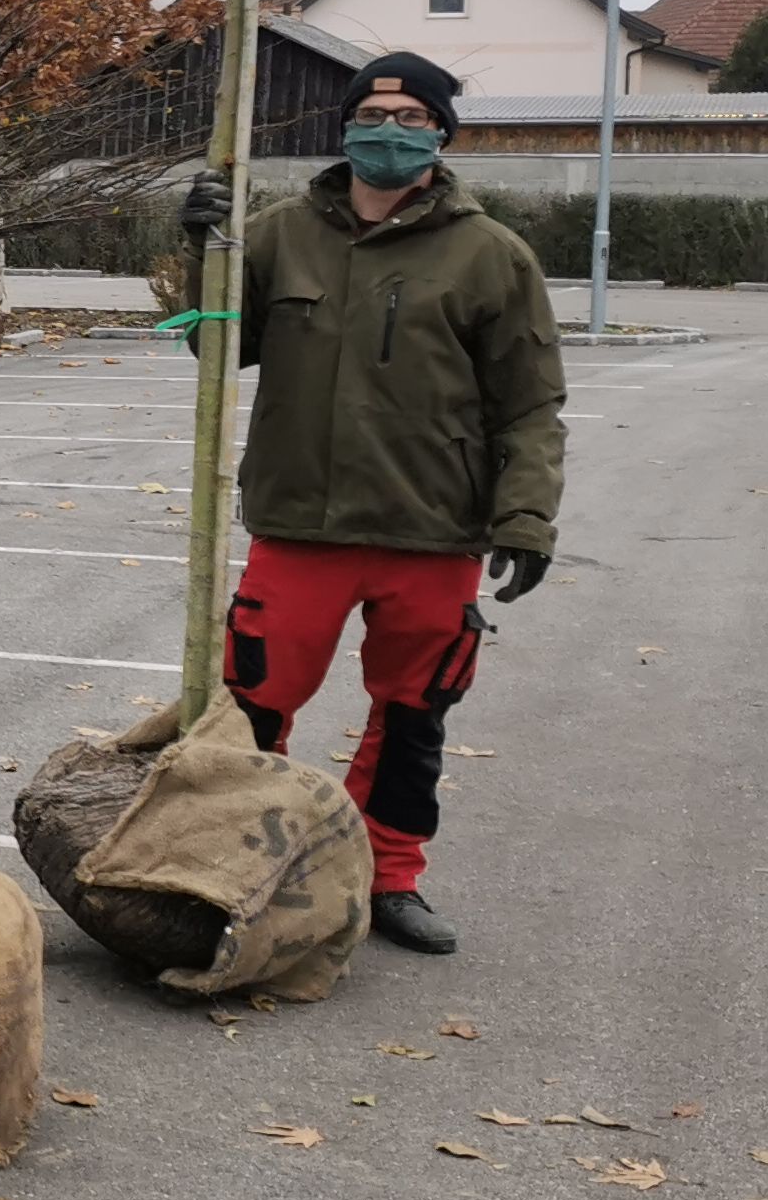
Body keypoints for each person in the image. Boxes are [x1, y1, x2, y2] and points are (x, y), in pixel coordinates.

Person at [179, 50, 563, 954]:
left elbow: (531, 402)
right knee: (254, 706)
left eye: (412, 117)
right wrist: (201, 250)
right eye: (374, 112)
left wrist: (526, 516)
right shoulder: (275, 235)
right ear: (345, 125)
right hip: (299, 524)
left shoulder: (491, 256)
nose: (389, 130)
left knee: (414, 714)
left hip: (432, 531)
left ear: (440, 133)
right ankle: (233, 867)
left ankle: (389, 876)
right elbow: (217, 351)